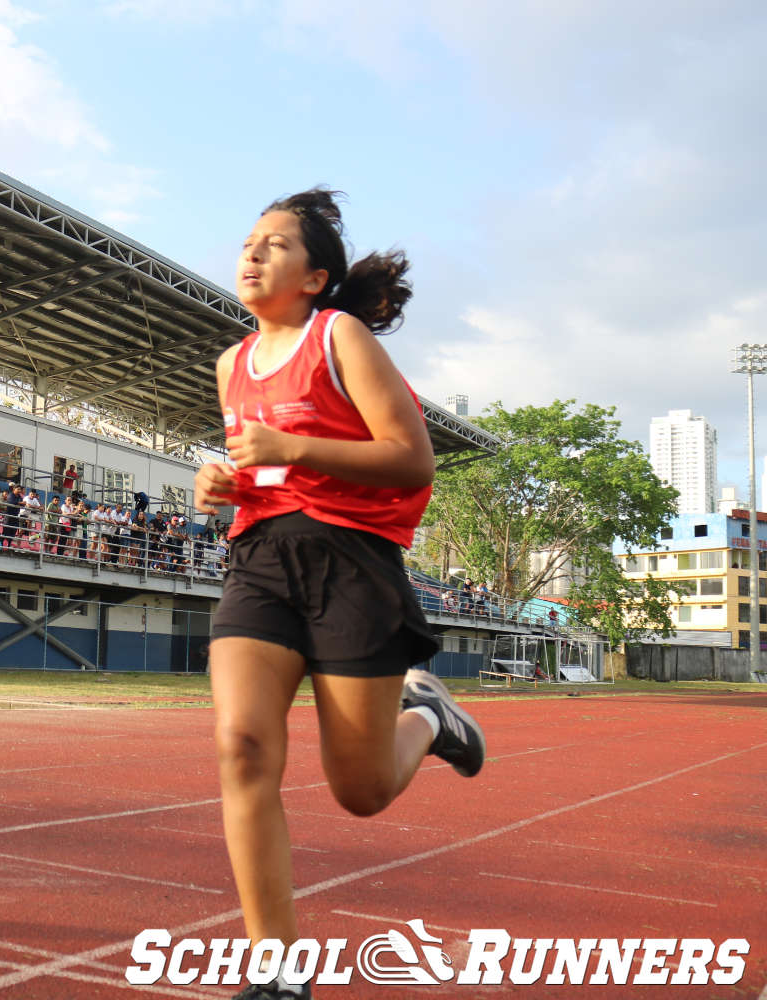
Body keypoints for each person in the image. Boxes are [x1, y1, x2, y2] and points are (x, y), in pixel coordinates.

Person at [193, 188, 485, 1000]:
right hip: (259, 560)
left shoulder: (339, 336)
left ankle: (428, 715)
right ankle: (278, 973)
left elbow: (410, 459)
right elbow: (271, 470)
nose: (252, 254)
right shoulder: (230, 364)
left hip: (352, 564)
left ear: (316, 277)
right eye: (248, 241)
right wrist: (222, 479)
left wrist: (291, 443)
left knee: (360, 792)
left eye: (274, 245)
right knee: (241, 747)